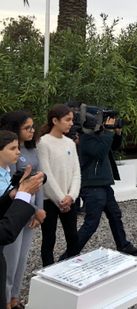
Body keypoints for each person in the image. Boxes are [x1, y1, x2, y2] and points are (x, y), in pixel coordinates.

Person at [70, 115, 137, 256]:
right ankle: (68, 255)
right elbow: (100, 152)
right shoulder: (85, 137)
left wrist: (117, 133)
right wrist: (108, 131)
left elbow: (112, 147)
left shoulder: (99, 135)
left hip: (103, 183)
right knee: (91, 223)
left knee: (115, 215)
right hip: (92, 185)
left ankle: (123, 245)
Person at [0, 111, 46, 309]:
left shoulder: (30, 149)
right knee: (9, 261)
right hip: (17, 212)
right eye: (27, 127)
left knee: (21, 258)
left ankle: (14, 297)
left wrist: (37, 208)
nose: (32, 131)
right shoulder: (8, 162)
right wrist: (32, 207)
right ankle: (7, 298)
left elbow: (36, 182)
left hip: (25, 207)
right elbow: (13, 191)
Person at [38, 104, 81, 266]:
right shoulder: (43, 142)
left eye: (72, 120)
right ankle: (48, 271)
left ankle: (74, 270)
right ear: (55, 120)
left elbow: (76, 172)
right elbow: (46, 173)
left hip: (69, 199)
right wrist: (61, 199)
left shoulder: (70, 142)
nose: (71, 123)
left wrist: (71, 196)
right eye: (67, 119)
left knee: (73, 237)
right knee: (49, 238)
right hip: (49, 200)